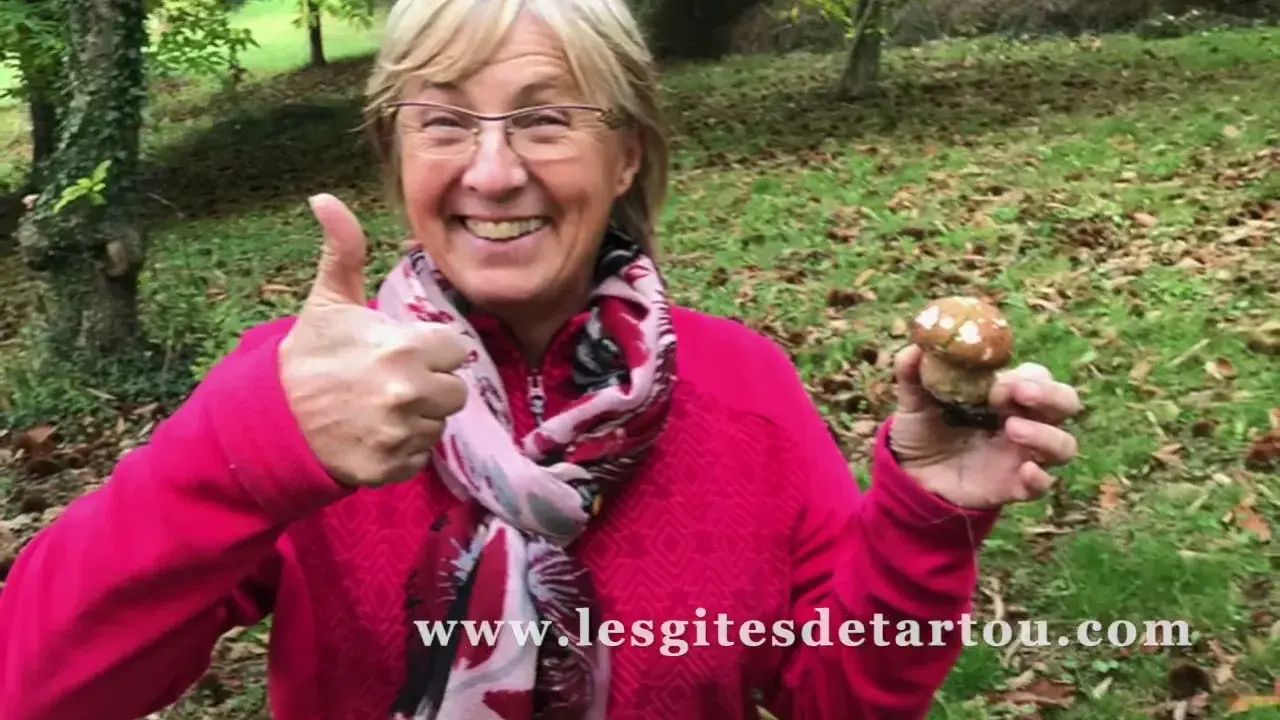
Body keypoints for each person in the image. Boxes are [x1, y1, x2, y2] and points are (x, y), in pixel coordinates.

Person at [0, 0, 1083, 717]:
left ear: (627, 156)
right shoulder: (304, 398)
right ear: (394, 157)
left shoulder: (745, 392)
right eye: (442, 124)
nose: (491, 171)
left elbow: (832, 697)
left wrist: (925, 519)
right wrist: (245, 454)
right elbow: (33, 683)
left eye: (546, 119)